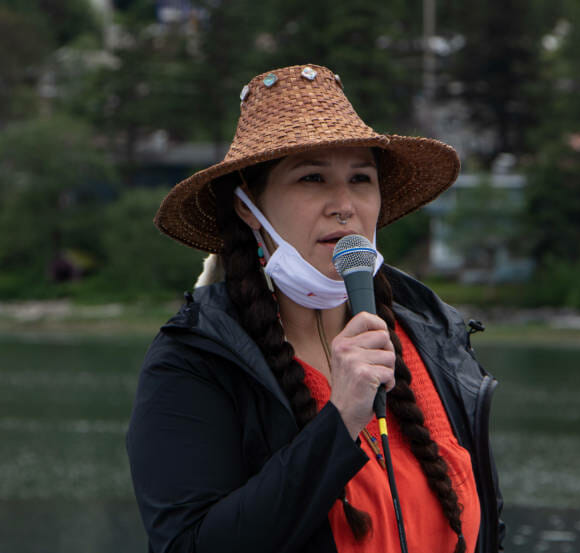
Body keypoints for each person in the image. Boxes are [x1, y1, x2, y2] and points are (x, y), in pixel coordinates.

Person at [126, 64, 504, 553]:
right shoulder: (196, 361)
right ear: (248, 207)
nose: (343, 204)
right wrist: (341, 418)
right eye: (312, 178)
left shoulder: (433, 340)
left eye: (361, 178)